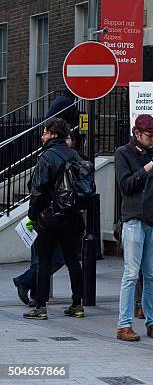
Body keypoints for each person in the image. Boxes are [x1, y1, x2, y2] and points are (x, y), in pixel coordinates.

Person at [23, 117, 85, 320]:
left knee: (44, 261)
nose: (42, 136)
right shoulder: (74, 154)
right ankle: (77, 304)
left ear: (54, 134)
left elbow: (39, 190)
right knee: (73, 261)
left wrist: (33, 214)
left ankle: (40, 307)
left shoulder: (47, 157)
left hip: (50, 217)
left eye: (45, 132)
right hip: (73, 216)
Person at [114, 114, 153, 342]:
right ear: (137, 134)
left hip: (152, 219)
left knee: (152, 274)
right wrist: (147, 168)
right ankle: (124, 324)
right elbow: (125, 185)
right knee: (131, 273)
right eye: (150, 136)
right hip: (133, 218)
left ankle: (152, 322)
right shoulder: (123, 153)